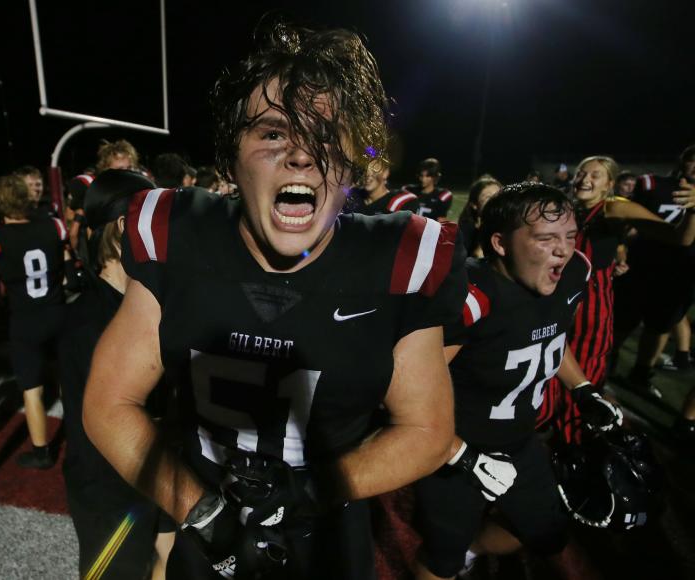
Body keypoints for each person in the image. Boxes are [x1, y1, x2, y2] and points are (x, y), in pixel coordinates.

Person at [83, 21, 466, 579]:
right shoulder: (175, 234)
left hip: (325, 534)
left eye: (325, 135)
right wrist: (206, 513)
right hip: (207, 524)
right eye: (272, 133)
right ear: (230, 158)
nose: (302, 157)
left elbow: (427, 431)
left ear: (350, 165)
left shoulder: (401, 258)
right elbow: (109, 404)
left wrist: (313, 491)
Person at [412, 183, 623, 580]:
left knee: (542, 532)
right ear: (500, 243)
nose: (563, 248)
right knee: (441, 557)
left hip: (521, 441)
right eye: (546, 238)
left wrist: (582, 388)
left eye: (570, 236)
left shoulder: (572, 272)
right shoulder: (472, 297)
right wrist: (461, 454)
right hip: (452, 450)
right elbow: (408, 387)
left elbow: (551, 336)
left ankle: (472, 549)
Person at [60, 169, 176, 579]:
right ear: (128, 227)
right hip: (112, 485)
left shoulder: (147, 301)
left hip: (159, 469)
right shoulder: (89, 323)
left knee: (172, 558)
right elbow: (110, 424)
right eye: (156, 221)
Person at [536, 155, 695, 443]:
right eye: (582, 172)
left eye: (595, 175)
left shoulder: (613, 207)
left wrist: (694, 212)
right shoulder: (564, 208)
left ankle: (573, 448)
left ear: (610, 183)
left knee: (581, 382)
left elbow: (679, 238)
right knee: (543, 371)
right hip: (553, 303)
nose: (585, 178)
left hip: (589, 311)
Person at [0, 175, 68, 469]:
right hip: (58, 312)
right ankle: (84, 437)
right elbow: (67, 271)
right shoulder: (53, 225)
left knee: (32, 389)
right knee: (67, 379)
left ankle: (41, 451)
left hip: (24, 319)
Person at [613, 145, 695, 396]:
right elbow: (626, 218)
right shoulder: (652, 184)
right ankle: (602, 365)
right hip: (642, 266)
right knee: (620, 324)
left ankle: (641, 372)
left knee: (659, 327)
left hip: (680, 275)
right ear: (684, 161)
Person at [348, 161, 419, 216]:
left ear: (385, 173)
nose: (367, 174)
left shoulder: (400, 202)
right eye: (363, 170)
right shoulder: (352, 196)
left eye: (374, 170)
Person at [457, 175, 503, 257]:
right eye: (488, 197)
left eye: (498, 195)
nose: (495, 200)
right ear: (474, 204)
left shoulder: (512, 223)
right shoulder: (467, 230)